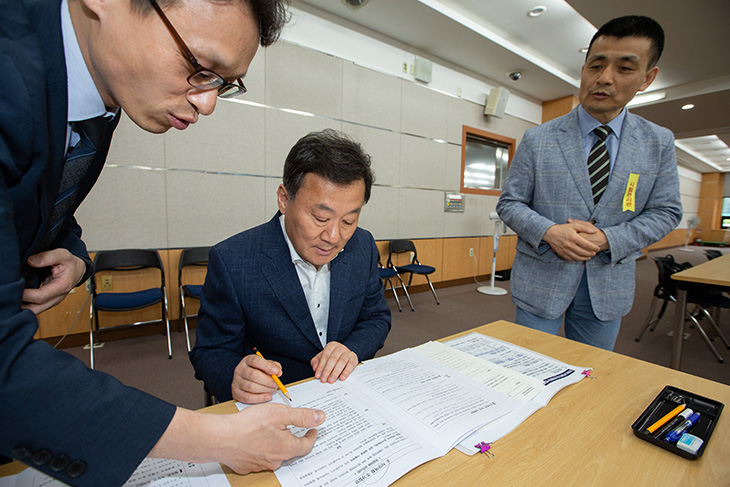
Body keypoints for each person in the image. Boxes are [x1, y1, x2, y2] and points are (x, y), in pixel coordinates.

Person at [0, 0, 327, 485]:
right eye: (199, 68)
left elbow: (39, 194)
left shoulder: (102, 91)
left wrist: (73, 253)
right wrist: (218, 439)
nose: (208, 102)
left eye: (226, 83)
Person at [496, 15, 682, 351]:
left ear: (647, 78)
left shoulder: (658, 142)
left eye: (624, 68)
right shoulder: (538, 139)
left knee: (591, 375)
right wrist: (550, 232)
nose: (604, 79)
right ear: (583, 69)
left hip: (608, 283)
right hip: (541, 279)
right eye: (596, 65)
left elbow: (666, 211)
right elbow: (509, 203)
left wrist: (610, 238)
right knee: (526, 369)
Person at [190, 129, 392, 404]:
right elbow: (212, 351)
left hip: (346, 391)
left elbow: (376, 317)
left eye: (348, 221)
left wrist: (351, 349)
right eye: (321, 217)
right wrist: (236, 377)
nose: (334, 237)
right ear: (284, 199)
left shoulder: (362, 245)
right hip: (277, 398)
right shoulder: (233, 260)